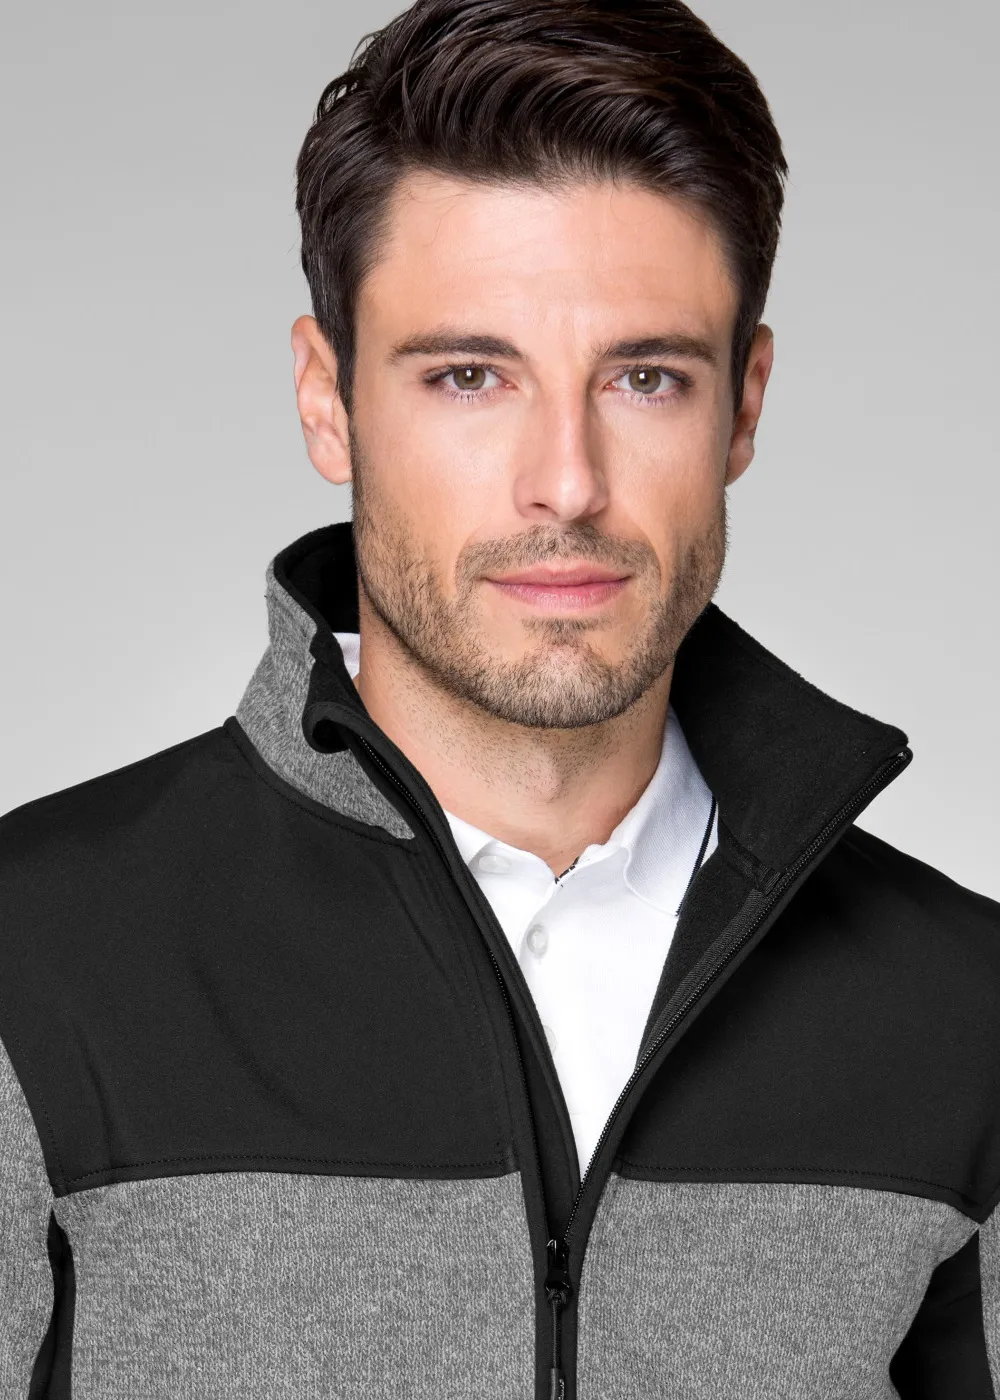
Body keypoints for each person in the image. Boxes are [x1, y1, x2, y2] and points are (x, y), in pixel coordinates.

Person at [2, 0, 998, 1394]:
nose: (567, 482)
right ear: (329, 399)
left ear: (744, 406)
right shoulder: (33, 961)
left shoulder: (966, 1013)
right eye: (470, 376)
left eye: (646, 377)